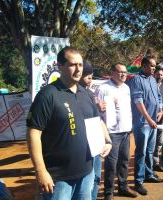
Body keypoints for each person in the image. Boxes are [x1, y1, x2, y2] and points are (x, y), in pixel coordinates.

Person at [26, 47, 112, 200]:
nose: (78, 69)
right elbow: (33, 133)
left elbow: (98, 121)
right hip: (59, 178)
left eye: (80, 65)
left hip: (87, 172)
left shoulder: (86, 94)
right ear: (60, 66)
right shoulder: (47, 95)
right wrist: (40, 171)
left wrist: (107, 141)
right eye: (73, 65)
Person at [94, 63, 138, 200]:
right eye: (120, 72)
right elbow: (96, 110)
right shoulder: (103, 88)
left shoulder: (126, 88)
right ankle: (109, 193)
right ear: (112, 72)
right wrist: (99, 108)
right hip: (111, 133)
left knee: (124, 161)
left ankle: (123, 187)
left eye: (125, 72)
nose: (123, 74)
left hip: (125, 131)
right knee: (111, 165)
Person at [128, 56, 163, 196]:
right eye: (152, 66)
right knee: (141, 152)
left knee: (150, 151)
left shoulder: (152, 79)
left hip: (153, 122)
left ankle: (149, 174)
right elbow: (138, 101)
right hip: (143, 123)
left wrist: (160, 110)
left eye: (155, 66)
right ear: (143, 66)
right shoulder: (137, 80)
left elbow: (159, 97)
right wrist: (149, 119)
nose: (154, 68)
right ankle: (138, 181)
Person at [79, 61, 112, 200]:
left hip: (96, 146)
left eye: (91, 77)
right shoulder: (67, 96)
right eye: (87, 76)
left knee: (96, 179)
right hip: (82, 149)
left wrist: (107, 140)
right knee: (84, 185)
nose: (89, 80)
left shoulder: (91, 95)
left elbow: (99, 120)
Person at [153, 66, 163, 172]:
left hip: (162, 117)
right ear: (154, 74)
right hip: (151, 118)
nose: (159, 76)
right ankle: (149, 163)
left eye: (161, 75)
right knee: (151, 142)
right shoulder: (150, 85)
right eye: (158, 74)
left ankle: (156, 163)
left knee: (159, 141)